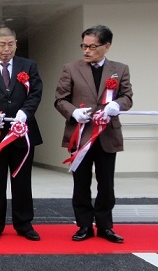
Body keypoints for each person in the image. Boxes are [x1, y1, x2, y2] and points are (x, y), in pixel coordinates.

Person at [54, 25, 133, 244]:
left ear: (106, 46)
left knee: (106, 183)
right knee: (81, 182)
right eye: (84, 46)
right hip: (80, 134)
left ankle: (105, 226)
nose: (86, 50)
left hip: (107, 135)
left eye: (92, 46)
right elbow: (60, 99)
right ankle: (84, 225)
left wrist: (117, 105)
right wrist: (73, 112)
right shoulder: (71, 68)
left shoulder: (120, 69)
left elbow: (127, 97)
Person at [0, 27, 43, 241]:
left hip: (22, 134)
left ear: (16, 44)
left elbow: (36, 92)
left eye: (10, 44)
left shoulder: (28, 66)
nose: (6, 49)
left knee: (22, 181)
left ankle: (24, 224)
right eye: (2, 44)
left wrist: (25, 112)